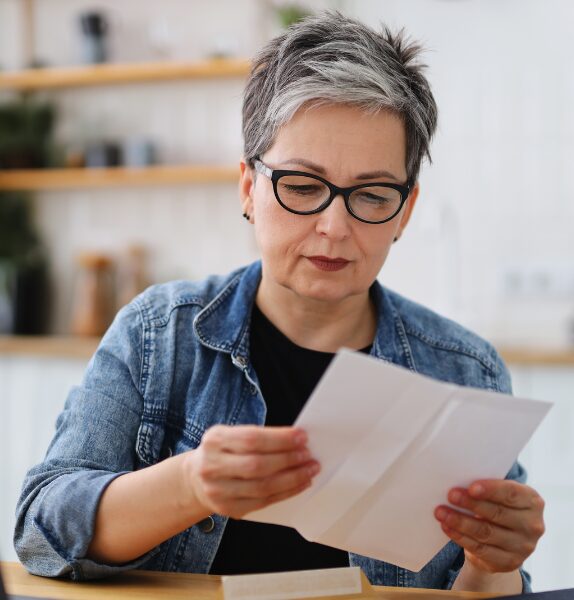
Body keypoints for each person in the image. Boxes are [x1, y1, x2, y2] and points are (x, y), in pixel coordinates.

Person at [14, 11, 544, 594]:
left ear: (406, 210)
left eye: (371, 195)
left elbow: (481, 587)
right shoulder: (157, 336)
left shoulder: (466, 371)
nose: (334, 226)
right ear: (249, 187)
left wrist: (495, 563)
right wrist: (190, 485)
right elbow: (42, 530)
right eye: (301, 186)